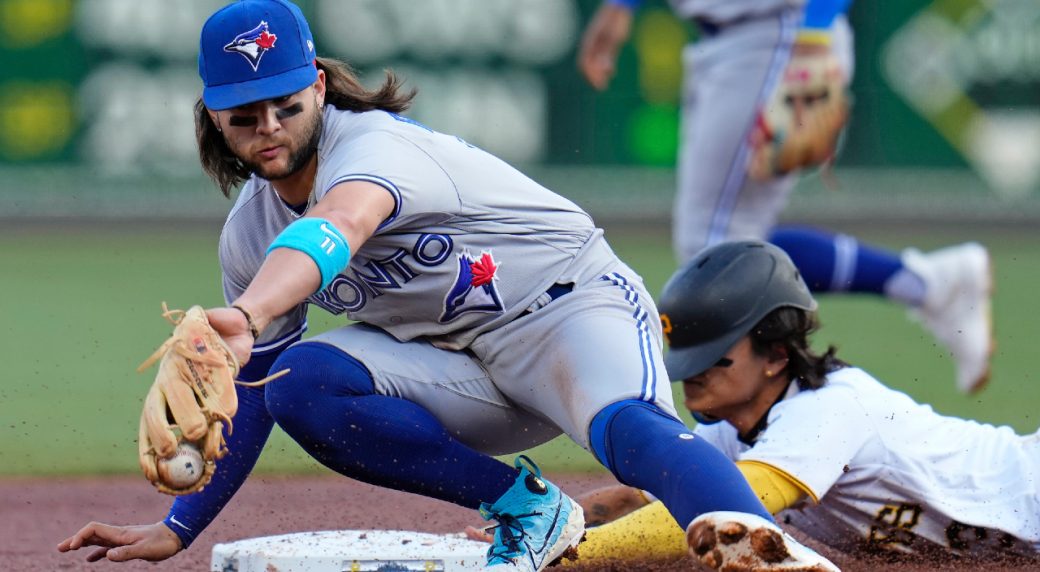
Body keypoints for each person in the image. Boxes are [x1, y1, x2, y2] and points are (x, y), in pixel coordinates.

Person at [56, 2, 839, 571]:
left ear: (321, 90)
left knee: (624, 429)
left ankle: (769, 554)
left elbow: (342, 224)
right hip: (460, 369)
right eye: (243, 113)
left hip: (569, 310)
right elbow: (258, 391)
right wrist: (179, 525)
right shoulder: (248, 235)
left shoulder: (376, 149)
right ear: (213, 118)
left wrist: (251, 309)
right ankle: (529, 509)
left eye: (286, 103)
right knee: (297, 380)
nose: (268, 125)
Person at [486, 240, 1037, 566]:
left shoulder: (828, 409)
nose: (692, 374)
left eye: (714, 356)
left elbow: (732, 511)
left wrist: (577, 559)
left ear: (775, 355)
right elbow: (639, 497)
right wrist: (548, 532)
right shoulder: (740, 427)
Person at [577, 0, 994, 394]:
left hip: (779, 34)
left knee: (716, 251)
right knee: (730, 245)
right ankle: (929, 282)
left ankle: (760, 416)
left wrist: (813, 35)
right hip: (735, 39)